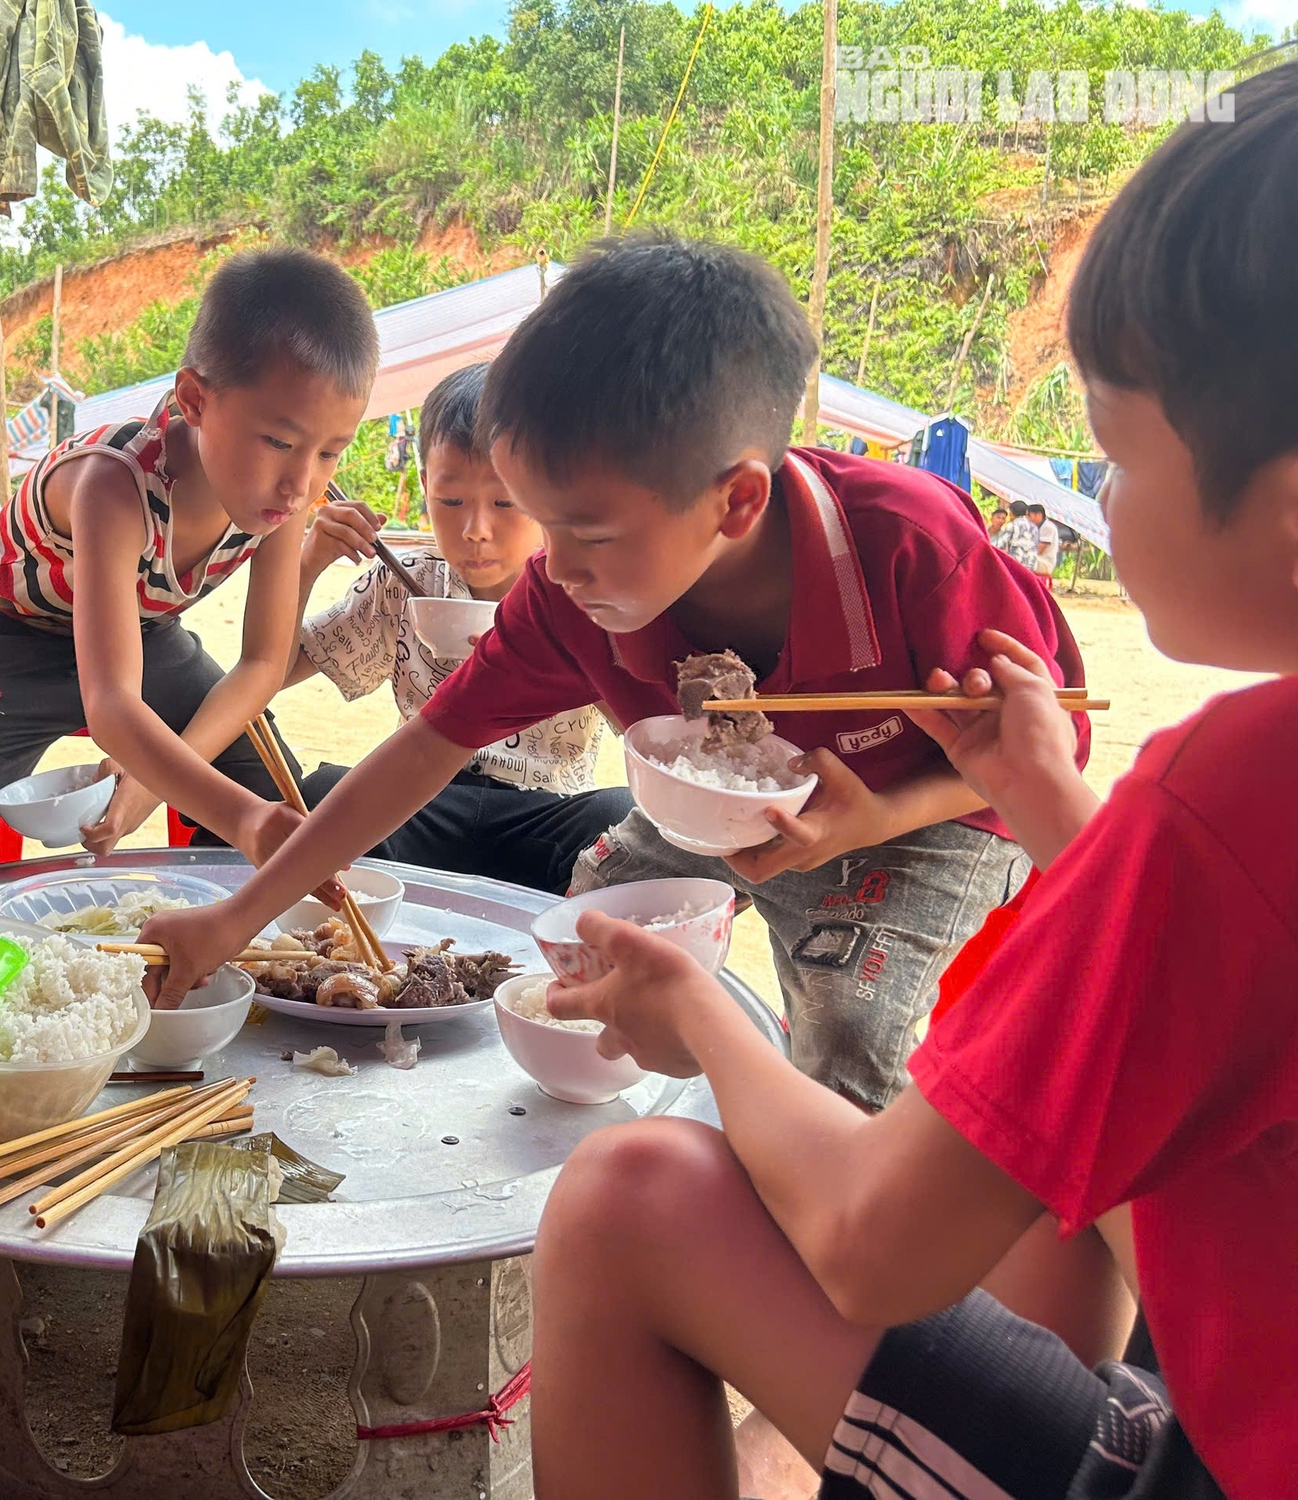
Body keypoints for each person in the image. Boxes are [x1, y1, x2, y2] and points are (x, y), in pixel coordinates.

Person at [519, 60, 1298, 1500]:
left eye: (1112, 452)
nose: (1098, 501)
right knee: (1047, 1149)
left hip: (1214, 1460)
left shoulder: (1238, 783)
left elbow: (873, 1240)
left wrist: (698, 1010)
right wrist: (1059, 813)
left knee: (634, 1197)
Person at [146, 234, 1086, 1110]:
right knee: (573, 951)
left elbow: (1036, 753)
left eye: (585, 533)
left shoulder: (910, 551)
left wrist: (875, 817)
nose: (551, 566)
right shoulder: (571, 591)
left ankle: (829, 1248)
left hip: (917, 819)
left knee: (846, 1030)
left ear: (736, 500)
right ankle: (611, 1153)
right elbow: (425, 746)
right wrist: (233, 922)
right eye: (542, 524)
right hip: (702, 816)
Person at [0, 247, 377, 867]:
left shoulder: (284, 494)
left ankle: (217, 940)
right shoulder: (113, 483)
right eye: (278, 441)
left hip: (143, 631)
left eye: (330, 451)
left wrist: (155, 781)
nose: (300, 483)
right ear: (194, 399)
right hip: (10, 637)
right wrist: (239, 819)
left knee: (265, 780)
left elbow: (262, 664)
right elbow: (113, 706)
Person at [285, 363, 631, 894]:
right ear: (425, 486)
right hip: (422, 802)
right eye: (450, 502)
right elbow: (276, 671)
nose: (475, 531)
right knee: (327, 793)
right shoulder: (402, 582)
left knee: (621, 816)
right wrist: (305, 565)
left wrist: (564, 661)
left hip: (546, 817)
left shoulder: (580, 594)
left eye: (505, 502)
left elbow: (646, 732)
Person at [1026, 501, 1062, 579]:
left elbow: (1039, 550)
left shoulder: (1048, 527)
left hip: (1045, 563)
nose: (1027, 519)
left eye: (1029, 515)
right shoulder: (1036, 527)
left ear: (1038, 515)